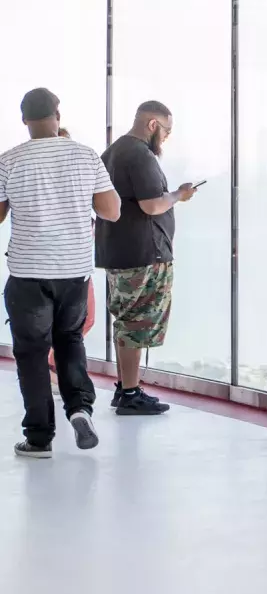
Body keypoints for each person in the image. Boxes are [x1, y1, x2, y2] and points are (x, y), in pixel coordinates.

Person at [0, 88, 120, 458]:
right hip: (73, 272)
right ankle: (80, 409)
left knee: (32, 354)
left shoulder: (9, 161)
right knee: (70, 341)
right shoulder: (85, 156)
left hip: (27, 274)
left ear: (24, 120)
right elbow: (111, 211)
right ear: (57, 114)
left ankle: (38, 438)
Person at [95, 100, 197, 415]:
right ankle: (129, 392)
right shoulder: (139, 154)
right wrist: (180, 194)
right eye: (166, 130)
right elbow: (152, 205)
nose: (165, 138)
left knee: (127, 320)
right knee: (136, 323)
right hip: (143, 254)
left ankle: (126, 387)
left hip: (118, 250)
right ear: (152, 124)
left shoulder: (111, 152)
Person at [47, 127, 97, 395]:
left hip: (77, 266)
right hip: (65, 268)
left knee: (82, 320)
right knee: (78, 320)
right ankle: (54, 369)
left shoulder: (74, 188)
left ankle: (54, 368)